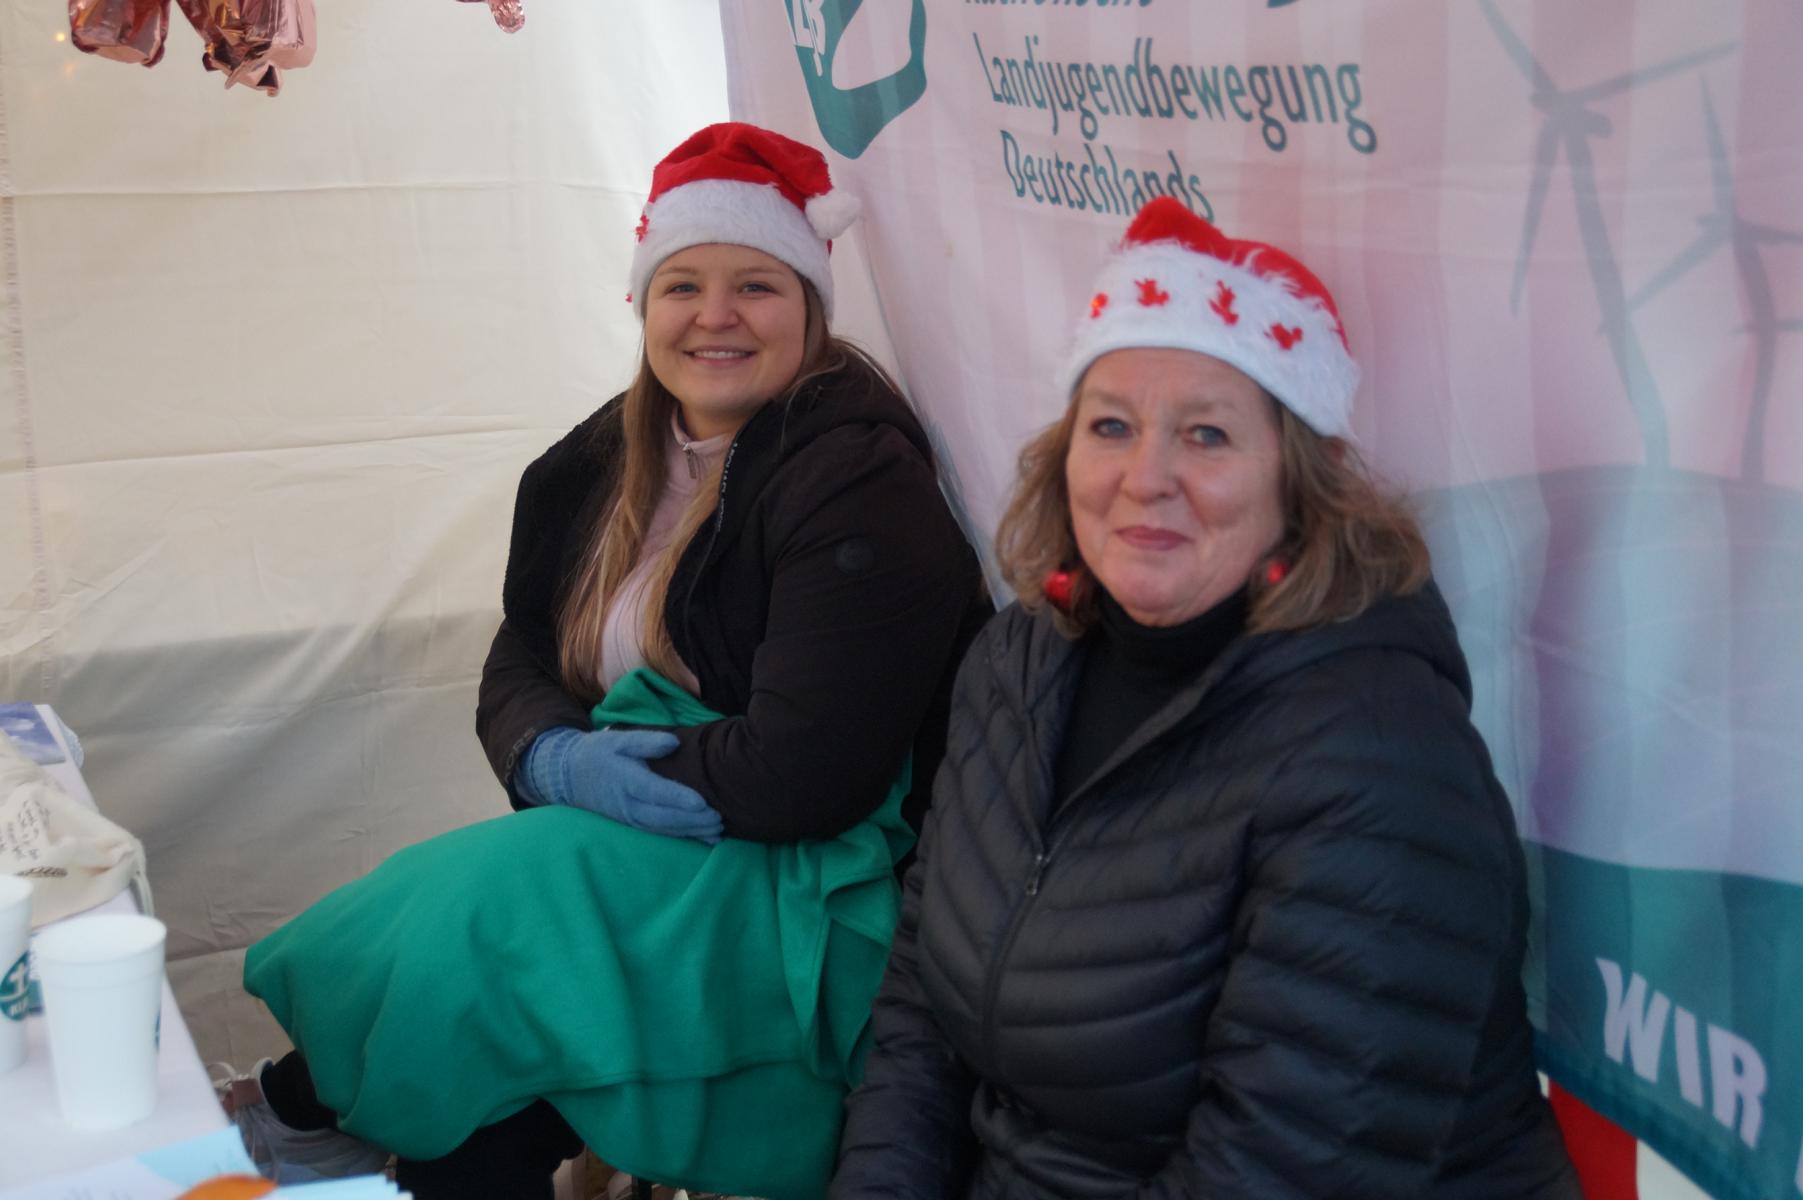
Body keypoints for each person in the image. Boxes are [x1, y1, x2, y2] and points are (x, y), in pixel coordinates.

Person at [230, 122, 991, 1200]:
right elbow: (520, 649)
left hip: (813, 870)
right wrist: (551, 759)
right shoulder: (601, 458)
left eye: (756, 286)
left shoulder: (857, 481)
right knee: (482, 1010)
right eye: (683, 285)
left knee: (475, 923)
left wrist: (606, 781)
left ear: (812, 307)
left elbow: (810, 774)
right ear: (642, 303)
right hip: (655, 841)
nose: (715, 316)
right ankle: (318, 1112)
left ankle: (301, 1106)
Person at [829, 197, 1581, 1199]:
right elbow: (922, 1010)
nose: (1147, 477)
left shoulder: (1376, 756)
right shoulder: (1018, 661)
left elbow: (1285, 1169)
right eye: (1111, 425)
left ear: (1300, 486)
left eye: (1208, 435)